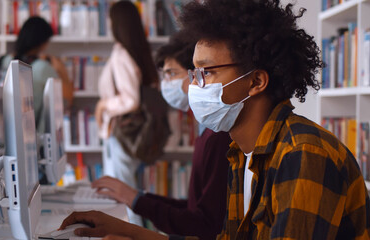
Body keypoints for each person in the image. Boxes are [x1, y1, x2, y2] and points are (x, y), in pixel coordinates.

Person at [58, 0, 370, 239]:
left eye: (207, 72)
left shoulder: (303, 154)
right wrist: (131, 232)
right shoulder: (240, 153)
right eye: (193, 73)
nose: (194, 85)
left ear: (256, 82)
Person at [92, 32, 231, 240]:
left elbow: (205, 226)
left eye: (172, 73)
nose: (166, 83)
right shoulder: (206, 132)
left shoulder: (218, 137)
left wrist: (137, 202)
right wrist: (137, 198)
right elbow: (195, 209)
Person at [94, 0, 159, 226]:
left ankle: (132, 234)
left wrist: (104, 105)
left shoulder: (121, 54)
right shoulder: (135, 52)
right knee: (127, 192)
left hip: (121, 133)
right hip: (129, 133)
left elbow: (131, 99)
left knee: (123, 196)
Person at [0, 16, 73, 133]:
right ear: (43, 43)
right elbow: (67, 100)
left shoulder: (4, 61)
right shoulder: (42, 68)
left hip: (0, 134)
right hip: (31, 138)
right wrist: (61, 69)